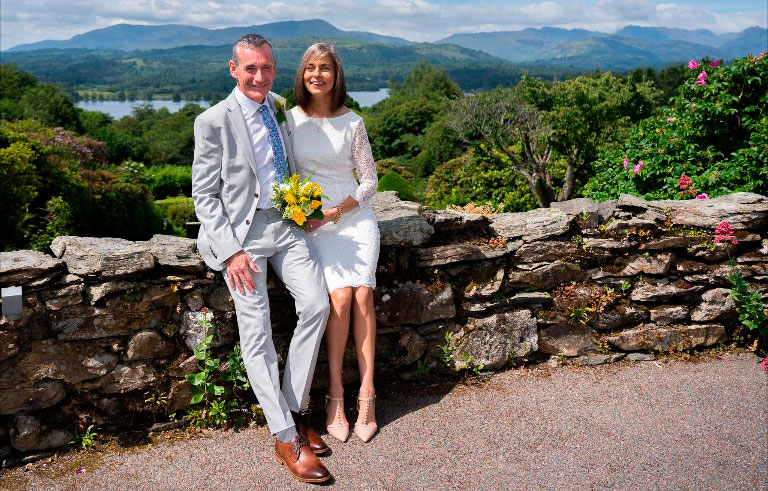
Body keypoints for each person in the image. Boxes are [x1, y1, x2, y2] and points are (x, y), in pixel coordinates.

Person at [191, 33, 332, 484]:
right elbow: (204, 196)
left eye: (266, 67)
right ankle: (286, 436)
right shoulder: (212, 121)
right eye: (250, 68)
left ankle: (292, 409)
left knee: (316, 304)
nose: (259, 76)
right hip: (242, 238)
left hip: (286, 227)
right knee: (257, 333)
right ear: (233, 69)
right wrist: (231, 250)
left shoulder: (278, 108)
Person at [283, 43, 380, 443]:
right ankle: (335, 397)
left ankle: (368, 394)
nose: (317, 74)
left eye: (325, 68)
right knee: (339, 298)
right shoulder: (289, 121)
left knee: (362, 297)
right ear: (302, 75)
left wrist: (337, 212)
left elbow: (371, 181)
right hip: (312, 224)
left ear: (336, 75)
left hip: (354, 220)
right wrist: (303, 214)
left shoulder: (353, 122)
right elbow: (282, 177)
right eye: (310, 68)